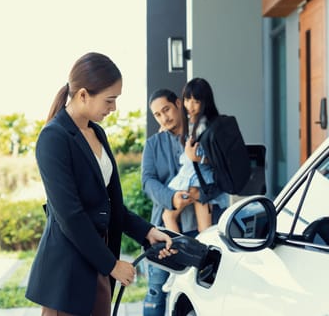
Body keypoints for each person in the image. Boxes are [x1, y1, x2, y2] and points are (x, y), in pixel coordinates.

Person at [25, 52, 174, 316]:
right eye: (110, 100)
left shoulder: (96, 132)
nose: (114, 108)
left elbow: (111, 204)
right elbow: (70, 215)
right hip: (69, 269)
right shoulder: (53, 139)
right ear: (83, 95)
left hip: (98, 258)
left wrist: (147, 231)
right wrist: (112, 265)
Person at [141, 85, 228, 316]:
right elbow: (147, 181)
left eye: (166, 109)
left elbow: (222, 176)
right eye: (157, 114)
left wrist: (201, 193)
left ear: (179, 104)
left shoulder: (204, 135)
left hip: (205, 228)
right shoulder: (153, 145)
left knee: (207, 292)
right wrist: (171, 198)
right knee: (156, 291)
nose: (164, 117)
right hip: (164, 233)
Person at [162, 78, 229, 233]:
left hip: (193, 183)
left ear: (205, 102)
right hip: (201, 184)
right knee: (204, 230)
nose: (190, 106)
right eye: (187, 100)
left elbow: (205, 157)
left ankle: (178, 253)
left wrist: (196, 158)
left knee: (168, 217)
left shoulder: (203, 125)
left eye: (196, 101)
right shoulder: (198, 123)